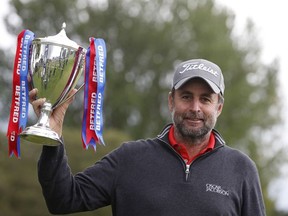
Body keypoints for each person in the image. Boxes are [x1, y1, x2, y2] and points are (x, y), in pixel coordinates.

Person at [31, 59, 266, 215]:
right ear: (171, 101)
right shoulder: (130, 158)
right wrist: (53, 135)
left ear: (219, 108)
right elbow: (62, 199)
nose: (195, 107)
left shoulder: (241, 169)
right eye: (186, 96)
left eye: (205, 99)